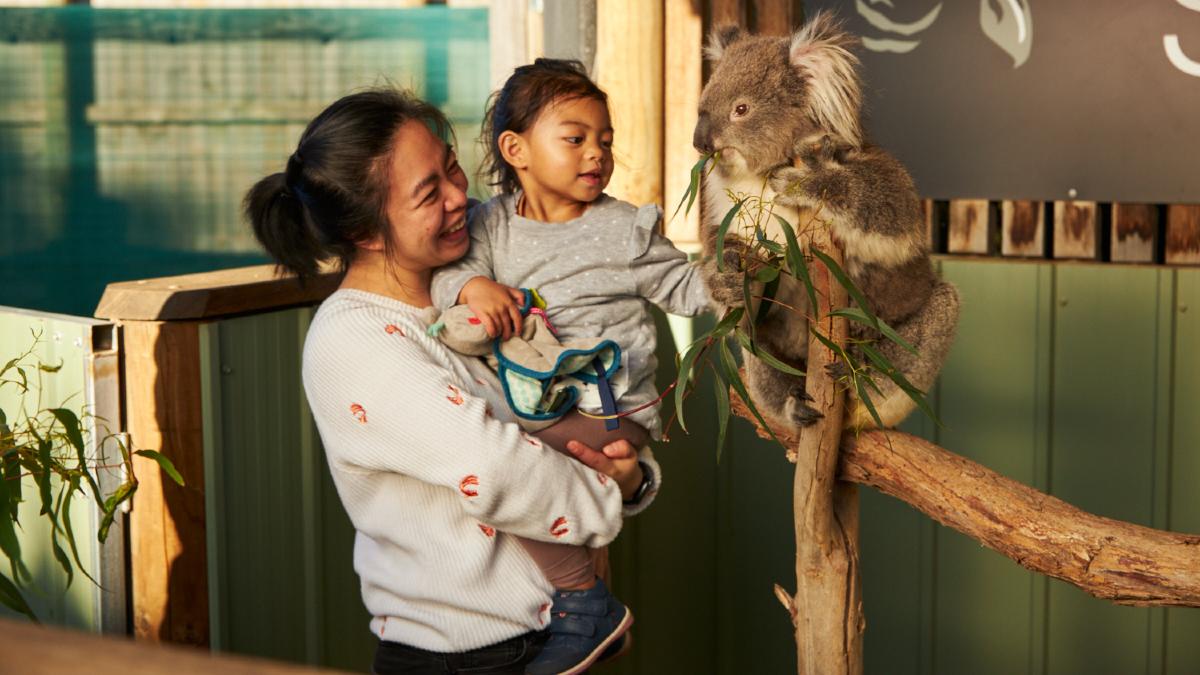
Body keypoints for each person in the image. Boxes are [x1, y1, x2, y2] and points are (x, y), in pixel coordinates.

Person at [244, 88, 658, 675]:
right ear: (366, 231)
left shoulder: (473, 294)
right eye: (428, 193)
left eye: (453, 169)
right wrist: (611, 494)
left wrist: (633, 477)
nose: (461, 197)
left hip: (556, 635)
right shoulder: (354, 342)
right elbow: (501, 467)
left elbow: (557, 419)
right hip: (468, 657)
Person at [430, 59, 710, 674]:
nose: (596, 154)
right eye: (575, 138)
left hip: (605, 412)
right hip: (538, 404)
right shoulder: (489, 226)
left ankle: (584, 600)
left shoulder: (624, 232)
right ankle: (580, 598)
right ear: (517, 150)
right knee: (502, 454)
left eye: (604, 140)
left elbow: (692, 290)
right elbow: (447, 275)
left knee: (500, 460)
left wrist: (752, 273)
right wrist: (472, 286)